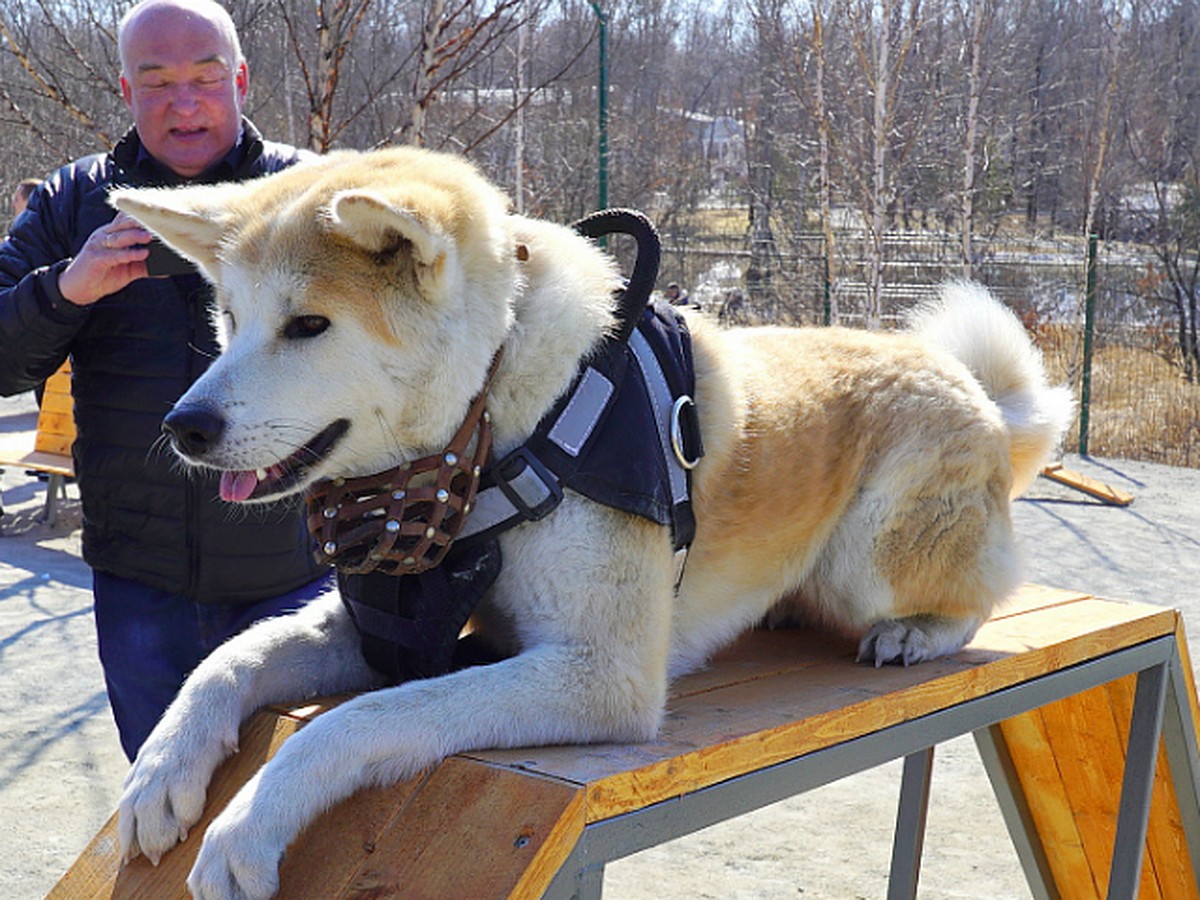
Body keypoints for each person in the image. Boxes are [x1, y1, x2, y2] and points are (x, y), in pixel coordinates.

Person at [0, 0, 329, 761]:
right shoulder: (71, 201)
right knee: (165, 816)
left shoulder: (309, 192)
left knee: (301, 819)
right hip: (139, 585)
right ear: (125, 90)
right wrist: (67, 289)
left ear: (241, 78)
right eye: (157, 83)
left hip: (295, 573)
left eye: (206, 77)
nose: (186, 103)